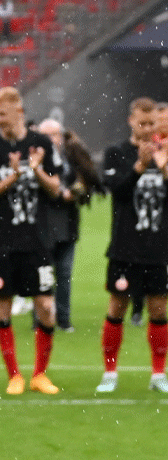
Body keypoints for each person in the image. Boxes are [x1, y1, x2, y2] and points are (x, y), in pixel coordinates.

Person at [0, 87, 61, 395]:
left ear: (18, 110)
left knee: (46, 307)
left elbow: (55, 188)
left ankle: (40, 374)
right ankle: (14, 375)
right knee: (3, 307)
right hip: (2, 241)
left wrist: (35, 169)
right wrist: (12, 177)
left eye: (2, 113)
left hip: (37, 240)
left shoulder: (41, 144)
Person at [97, 97, 168, 393]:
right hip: (125, 247)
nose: (147, 128)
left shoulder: (165, 152)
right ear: (131, 121)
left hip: (158, 247)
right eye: (142, 123)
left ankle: (158, 374)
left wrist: (163, 168)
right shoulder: (117, 153)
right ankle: (110, 372)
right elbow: (118, 192)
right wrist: (140, 166)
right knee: (117, 307)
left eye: (152, 123)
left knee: (158, 310)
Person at [38, 118, 102, 333]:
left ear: (61, 135)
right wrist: (58, 194)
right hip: (42, 224)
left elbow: (88, 182)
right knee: (43, 275)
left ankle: (63, 319)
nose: (50, 139)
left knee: (64, 274)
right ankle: (41, 318)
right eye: (45, 135)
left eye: (53, 134)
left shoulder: (73, 156)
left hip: (68, 224)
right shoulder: (35, 158)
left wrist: (75, 192)